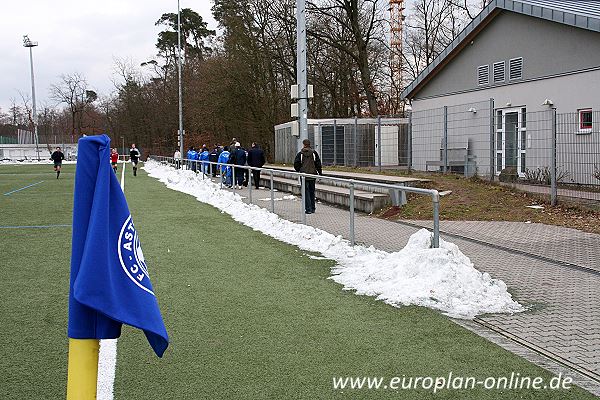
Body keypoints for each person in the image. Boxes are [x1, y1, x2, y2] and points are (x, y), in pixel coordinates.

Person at [294, 139, 322, 214]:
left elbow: (296, 164)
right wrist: (320, 173)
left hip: (303, 175)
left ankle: (308, 209)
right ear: (310, 144)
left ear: (303, 144)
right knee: (312, 191)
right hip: (312, 175)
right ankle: (313, 208)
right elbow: (318, 164)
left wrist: (299, 170)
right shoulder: (314, 153)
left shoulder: (300, 154)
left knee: (305, 192)